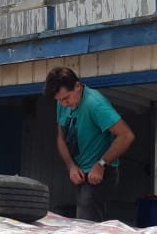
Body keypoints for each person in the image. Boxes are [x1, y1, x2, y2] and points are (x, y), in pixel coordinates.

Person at [44, 67, 135, 221]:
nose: (64, 104)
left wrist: (101, 164)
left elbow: (126, 136)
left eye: (66, 98)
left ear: (77, 86)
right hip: (80, 171)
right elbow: (61, 137)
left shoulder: (95, 104)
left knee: (85, 221)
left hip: (100, 172)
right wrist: (71, 166)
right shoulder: (62, 103)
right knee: (84, 218)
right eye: (59, 100)